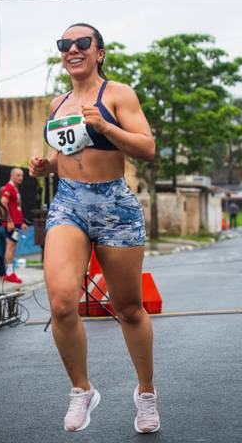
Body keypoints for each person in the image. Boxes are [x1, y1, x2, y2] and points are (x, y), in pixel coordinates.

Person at [29, 23, 159, 434]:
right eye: (65, 44)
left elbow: (147, 147)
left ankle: (146, 393)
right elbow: (64, 152)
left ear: (99, 53)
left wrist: (106, 127)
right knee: (61, 303)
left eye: (82, 43)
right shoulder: (58, 103)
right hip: (69, 203)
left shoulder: (118, 94)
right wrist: (45, 165)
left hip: (114, 205)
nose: (73, 49)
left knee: (129, 308)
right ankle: (81, 389)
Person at [0, 168, 28, 284]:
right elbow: (3, 203)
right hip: (12, 224)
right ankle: (9, 274)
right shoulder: (8, 188)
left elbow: (16, 208)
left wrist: (22, 222)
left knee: (13, 247)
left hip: (17, 224)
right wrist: (9, 220)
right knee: (10, 247)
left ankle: (9, 273)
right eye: (18, 175)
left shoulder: (15, 189)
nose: (21, 178)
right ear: (12, 176)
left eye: (22, 175)